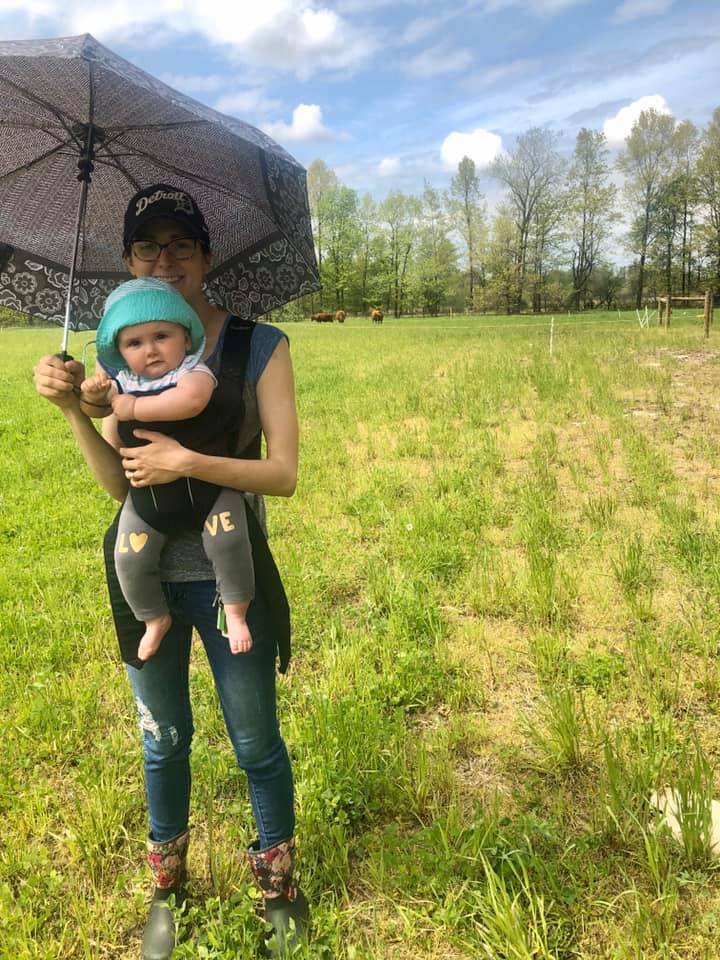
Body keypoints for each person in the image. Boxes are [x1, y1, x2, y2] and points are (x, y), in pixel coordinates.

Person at [33, 183, 309, 960]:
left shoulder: (260, 346)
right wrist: (75, 415)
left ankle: (278, 886)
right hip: (146, 580)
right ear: (127, 261)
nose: (165, 259)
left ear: (206, 256)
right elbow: (123, 485)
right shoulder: (124, 348)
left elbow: (283, 473)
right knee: (163, 742)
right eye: (148, 247)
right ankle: (167, 887)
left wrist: (191, 458)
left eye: (181, 245)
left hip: (233, 579)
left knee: (255, 741)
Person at [81, 276, 254, 662]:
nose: (151, 350)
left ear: (186, 338)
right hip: (148, 497)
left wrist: (134, 408)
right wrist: (91, 397)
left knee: (228, 541)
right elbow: (99, 409)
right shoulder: (123, 382)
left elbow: (190, 403)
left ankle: (236, 609)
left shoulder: (195, 372)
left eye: (162, 335)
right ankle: (153, 617)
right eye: (135, 343)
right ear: (120, 352)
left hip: (209, 488)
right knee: (128, 557)